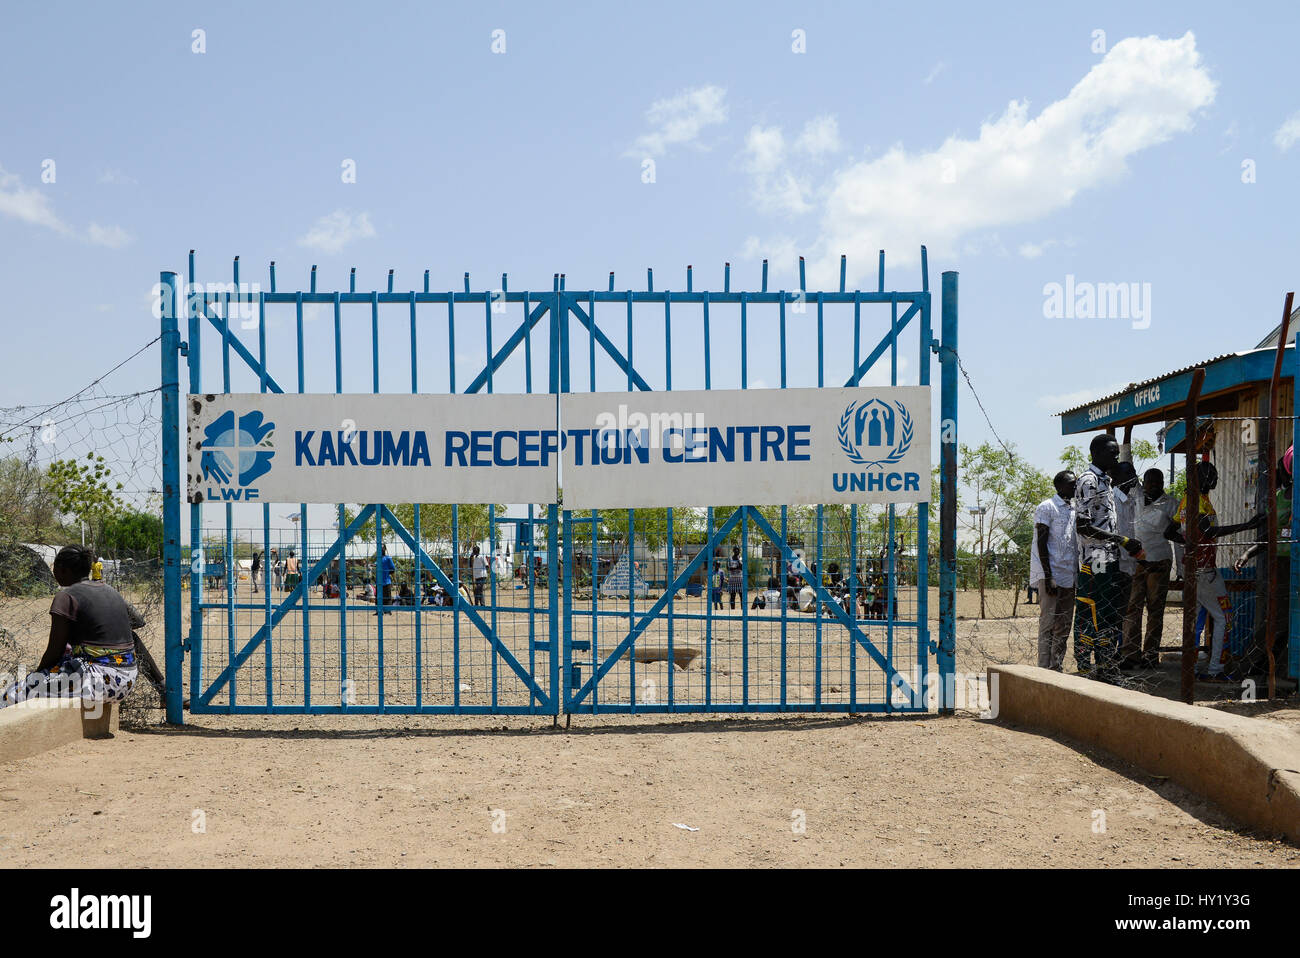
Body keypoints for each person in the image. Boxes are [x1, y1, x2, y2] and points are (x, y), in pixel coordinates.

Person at [1, 545, 139, 709]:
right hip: (128, 680)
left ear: (61, 569)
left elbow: (54, 651)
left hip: (98, 680)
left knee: (11, 696)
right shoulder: (110, 590)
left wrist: (36, 676)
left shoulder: (66, 596)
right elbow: (137, 622)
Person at [1166, 460, 1265, 682]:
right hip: (1205, 571)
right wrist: (1248, 525)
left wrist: (1185, 541)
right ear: (1202, 478)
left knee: (1196, 621)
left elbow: (1169, 531)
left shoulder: (1189, 501)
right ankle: (1215, 670)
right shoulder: (1196, 502)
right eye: (1212, 475)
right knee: (1223, 617)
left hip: (1195, 570)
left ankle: (1190, 669)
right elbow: (1208, 530)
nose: (1216, 479)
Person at [1073, 434, 1144, 680]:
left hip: (1110, 558)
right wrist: (1122, 540)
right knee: (1089, 614)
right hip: (1095, 559)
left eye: (1117, 451)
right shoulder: (1089, 481)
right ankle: (1084, 668)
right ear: (1096, 453)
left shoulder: (1106, 482)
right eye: (1111, 452)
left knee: (1108, 614)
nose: (1115, 456)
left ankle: (1106, 667)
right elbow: (1083, 527)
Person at [1235, 449, 1293, 671]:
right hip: (1281, 564)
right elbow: (1268, 537)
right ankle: (1254, 664)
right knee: (1277, 618)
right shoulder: (1279, 498)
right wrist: (1247, 553)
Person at [1121, 468, 1179, 669]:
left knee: (1155, 609)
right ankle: (1130, 654)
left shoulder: (1171, 504)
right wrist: (1127, 435)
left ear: (1163, 483)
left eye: (1158, 481)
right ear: (1143, 482)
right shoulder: (1135, 496)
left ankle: (1150, 655)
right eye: (1150, 481)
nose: (1154, 485)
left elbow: (1178, 539)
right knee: (1131, 607)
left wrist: (1180, 569)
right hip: (1135, 561)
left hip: (1159, 562)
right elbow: (1126, 463)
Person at [1030, 470, 1078, 671]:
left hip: (1069, 574)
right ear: (1059, 486)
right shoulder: (1047, 507)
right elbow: (1041, 543)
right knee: (1048, 623)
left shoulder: (1074, 509)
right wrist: (1048, 576)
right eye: (1071, 483)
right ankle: (1043, 668)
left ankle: (1055, 666)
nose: (1075, 486)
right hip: (1050, 573)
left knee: (1064, 624)